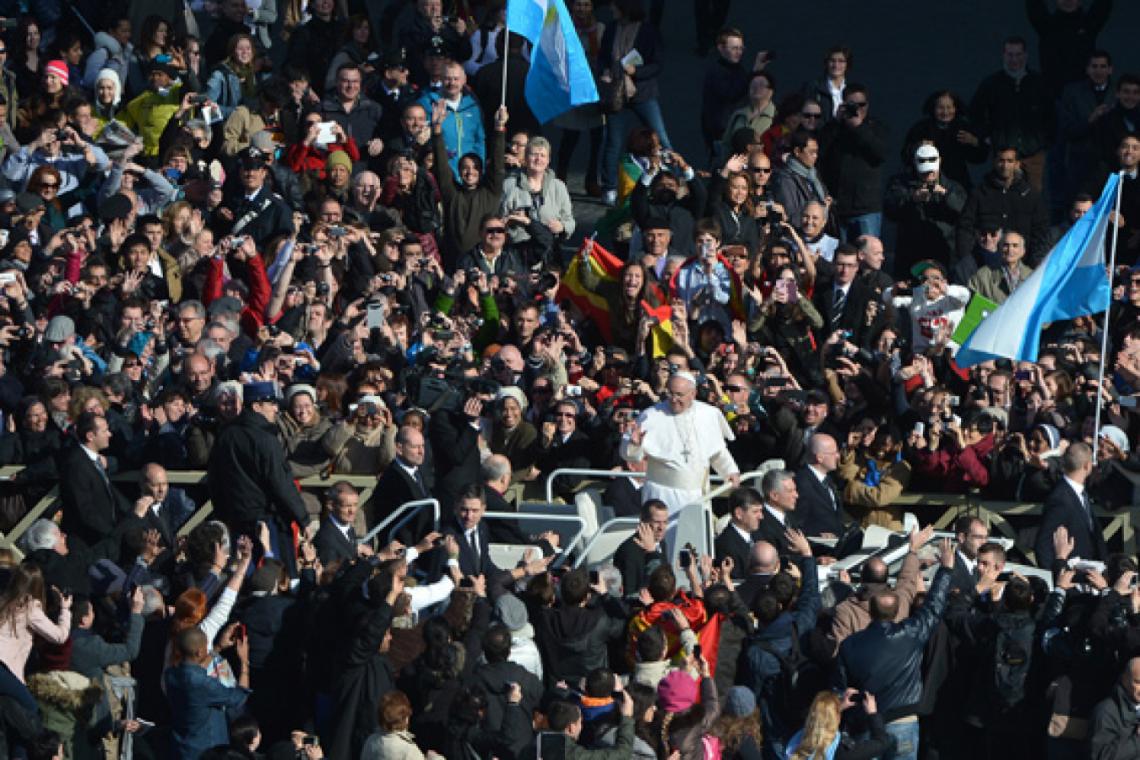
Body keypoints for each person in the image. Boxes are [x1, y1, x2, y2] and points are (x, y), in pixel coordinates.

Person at [836, 538, 955, 760]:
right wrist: (946, 570)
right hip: (902, 721)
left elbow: (841, 686)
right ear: (898, 610)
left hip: (867, 721)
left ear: (870, 611)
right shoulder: (911, 633)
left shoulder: (850, 645)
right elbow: (934, 606)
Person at [207, 382, 309, 574]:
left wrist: (224, 515)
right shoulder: (265, 439)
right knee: (271, 575)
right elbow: (281, 483)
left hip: (236, 519)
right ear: (256, 406)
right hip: (265, 520)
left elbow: (215, 482)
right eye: (270, 403)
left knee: (243, 573)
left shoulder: (226, 436)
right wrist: (303, 519)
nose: (275, 408)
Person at [621, 371, 740, 514]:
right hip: (662, 494)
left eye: (679, 395)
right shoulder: (651, 415)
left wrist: (730, 471)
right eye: (670, 393)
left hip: (698, 494)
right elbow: (630, 456)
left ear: (693, 393)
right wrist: (635, 445)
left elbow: (716, 449)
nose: (673, 399)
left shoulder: (708, 414)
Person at [969, 36, 1055, 192]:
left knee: (1033, 196)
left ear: (1025, 55)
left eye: (1018, 54)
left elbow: (1052, 115)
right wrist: (988, 138)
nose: (1014, 59)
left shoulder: (1039, 83)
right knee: (1003, 194)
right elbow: (975, 113)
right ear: (1004, 55)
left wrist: (1043, 141)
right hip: (1003, 153)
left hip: (1033, 154)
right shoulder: (992, 83)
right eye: (1010, 54)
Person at [817, 83, 888, 240]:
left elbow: (880, 153)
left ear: (867, 105)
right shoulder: (833, 128)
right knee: (840, 256)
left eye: (861, 105)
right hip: (838, 207)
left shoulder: (876, 127)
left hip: (866, 208)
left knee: (868, 254)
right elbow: (820, 152)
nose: (857, 109)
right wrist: (836, 121)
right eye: (851, 105)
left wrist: (859, 126)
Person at [1033, 441, 1106, 570]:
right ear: (1087, 466)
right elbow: (1043, 545)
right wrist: (1057, 579)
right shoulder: (1060, 498)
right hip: (1070, 578)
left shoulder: (1080, 493)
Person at [785, 690, 893, 760]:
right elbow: (882, 743)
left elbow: (820, 720)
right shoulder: (841, 752)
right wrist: (872, 713)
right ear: (837, 717)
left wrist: (838, 708)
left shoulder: (795, 744)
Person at [793, 433, 847, 538]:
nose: (838, 456)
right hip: (819, 548)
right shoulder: (801, 483)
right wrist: (817, 535)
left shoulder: (828, 480)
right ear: (820, 457)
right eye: (834, 453)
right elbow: (796, 522)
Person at [612, 499, 669, 594]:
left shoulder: (661, 543)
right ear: (643, 521)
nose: (661, 528)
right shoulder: (629, 551)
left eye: (665, 522)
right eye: (656, 522)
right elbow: (629, 592)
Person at [967, 230, 1033, 305]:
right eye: (1006, 245)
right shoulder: (982, 276)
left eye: (1015, 246)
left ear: (1023, 251)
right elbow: (971, 305)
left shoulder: (1032, 276)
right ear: (999, 248)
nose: (1010, 249)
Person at [714, 487, 763, 574]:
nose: (761, 516)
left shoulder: (759, 537)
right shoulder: (725, 545)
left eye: (761, 511)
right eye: (755, 512)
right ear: (739, 513)